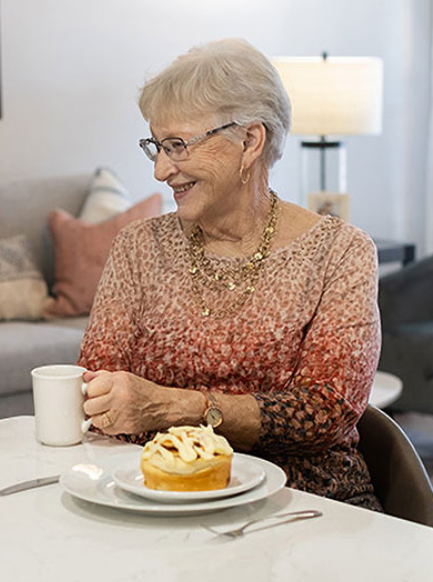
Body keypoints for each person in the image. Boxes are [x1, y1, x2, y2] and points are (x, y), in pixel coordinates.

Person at [78, 39, 381, 509]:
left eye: (177, 146)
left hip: (303, 504)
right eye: (156, 147)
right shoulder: (138, 247)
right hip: (159, 498)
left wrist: (172, 406)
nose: (161, 170)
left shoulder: (340, 252)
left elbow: (325, 412)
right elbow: (97, 391)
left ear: (250, 141)